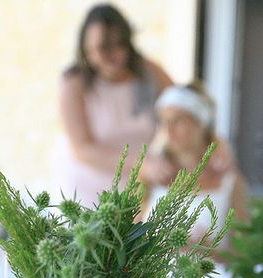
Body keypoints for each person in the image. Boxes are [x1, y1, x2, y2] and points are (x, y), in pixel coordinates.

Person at [52, 3, 173, 206]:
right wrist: (140, 163)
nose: (113, 55)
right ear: (86, 49)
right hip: (85, 189)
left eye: (119, 45)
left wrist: (214, 145)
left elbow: (186, 107)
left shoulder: (149, 73)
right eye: (103, 48)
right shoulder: (74, 83)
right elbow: (82, 148)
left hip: (137, 188)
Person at [142, 83, 248, 248]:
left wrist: (203, 250)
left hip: (209, 272)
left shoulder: (231, 182)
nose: (168, 130)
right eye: (163, 122)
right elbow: (128, 243)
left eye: (177, 120)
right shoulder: (149, 174)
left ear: (201, 123)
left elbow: (242, 254)